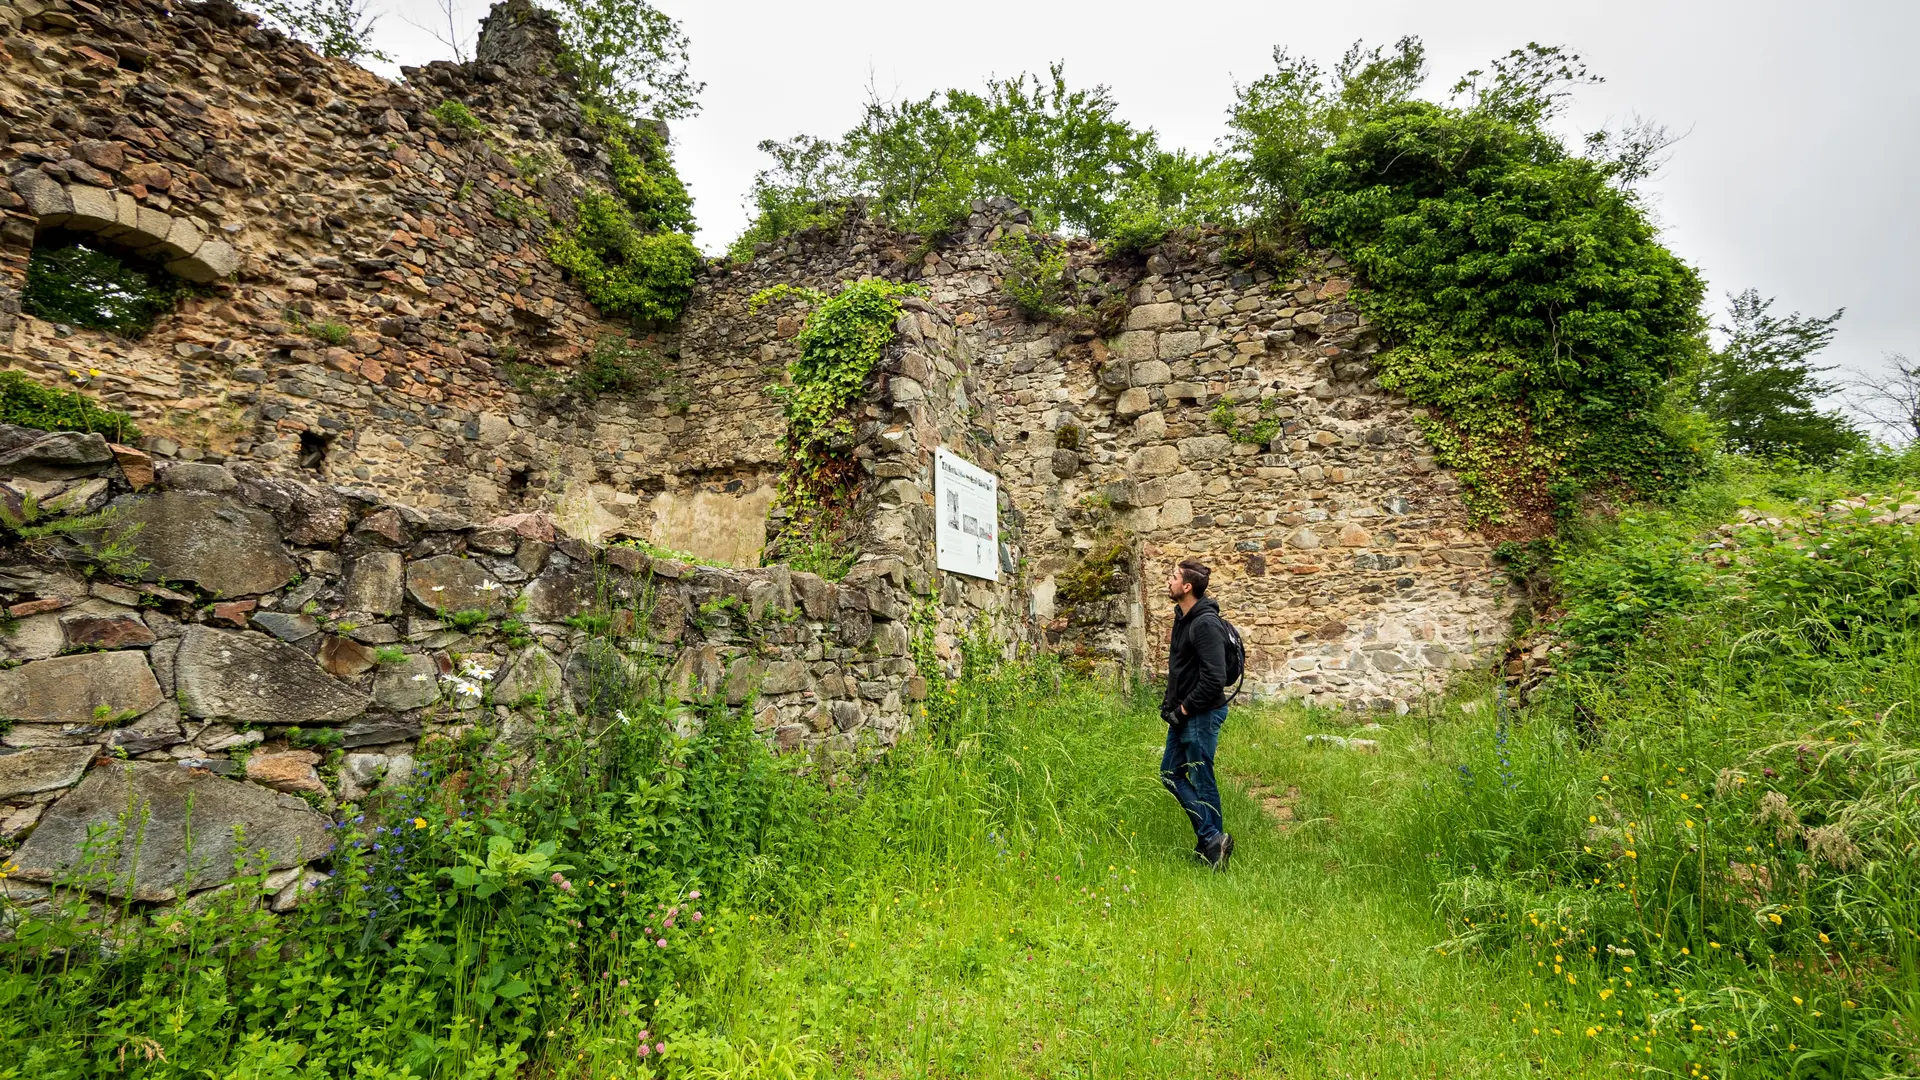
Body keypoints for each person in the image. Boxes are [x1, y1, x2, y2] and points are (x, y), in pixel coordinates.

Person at [1160, 559, 1234, 871]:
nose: (1169, 580)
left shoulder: (1205, 624)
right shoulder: (1184, 617)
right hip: (1183, 713)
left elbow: (1214, 678)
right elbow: (1181, 670)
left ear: (1187, 587)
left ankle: (1211, 843)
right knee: (1169, 773)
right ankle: (1212, 840)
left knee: (1202, 781)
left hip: (1201, 714)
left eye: (1174, 577)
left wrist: (1185, 708)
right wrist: (1172, 708)